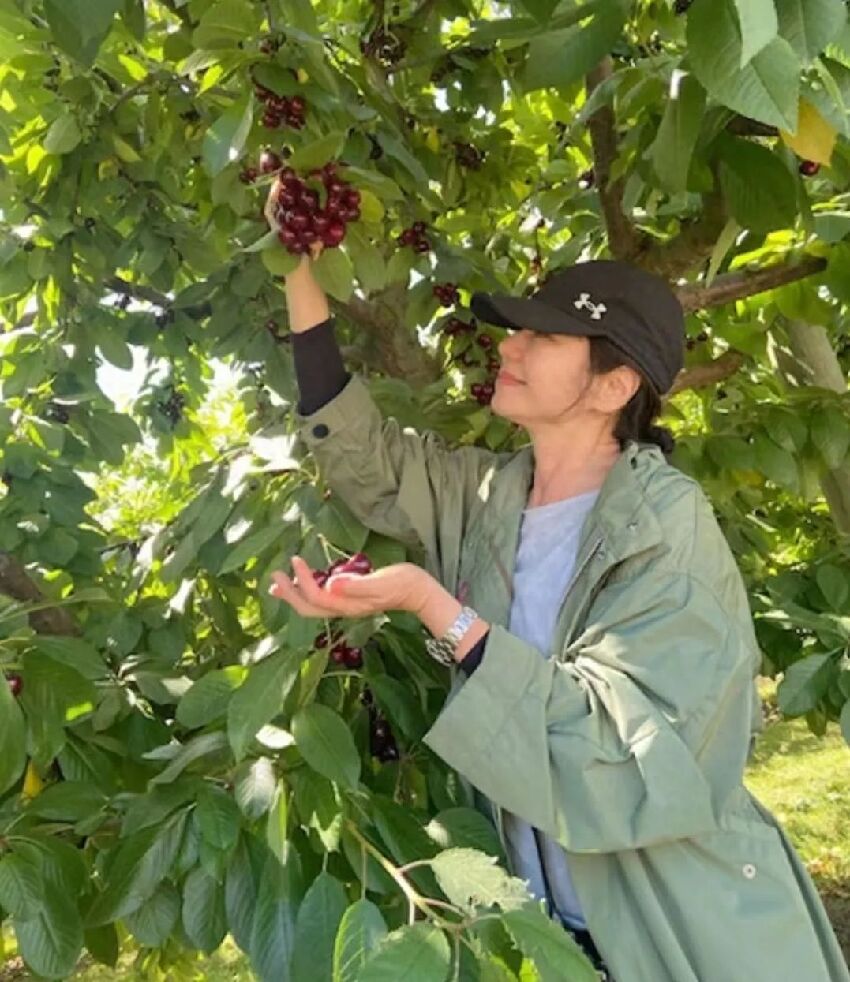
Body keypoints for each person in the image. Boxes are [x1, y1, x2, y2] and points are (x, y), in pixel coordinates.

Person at [266, 217, 849, 981]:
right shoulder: (487, 497)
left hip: (684, 924)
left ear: (613, 385)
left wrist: (435, 607)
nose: (509, 346)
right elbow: (365, 457)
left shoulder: (666, 528)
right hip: (558, 935)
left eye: (543, 338)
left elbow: (620, 754)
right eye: (519, 332)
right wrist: (299, 268)